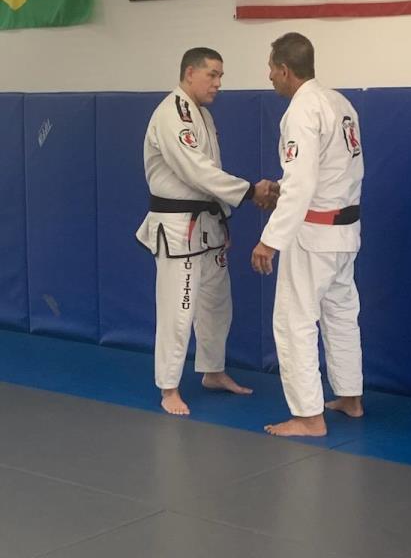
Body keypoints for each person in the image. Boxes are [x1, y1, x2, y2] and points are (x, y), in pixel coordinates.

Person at [137, 47, 277, 416]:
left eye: (220, 76)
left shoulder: (202, 114)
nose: (218, 83)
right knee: (179, 308)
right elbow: (196, 172)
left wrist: (222, 216)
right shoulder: (172, 114)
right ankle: (168, 387)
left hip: (208, 225)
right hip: (179, 229)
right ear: (189, 73)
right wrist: (250, 191)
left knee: (217, 302)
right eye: (212, 75)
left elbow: (209, 177)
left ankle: (212, 371)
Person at [251, 33, 364, 437]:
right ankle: (350, 397)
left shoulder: (302, 109)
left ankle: (308, 417)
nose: (269, 76)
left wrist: (270, 240)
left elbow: (302, 182)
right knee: (341, 314)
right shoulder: (339, 103)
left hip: (313, 235)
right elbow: (329, 172)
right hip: (345, 230)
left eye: (271, 69)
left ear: (285, 70)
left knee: (293, 320)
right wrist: (282, 188)